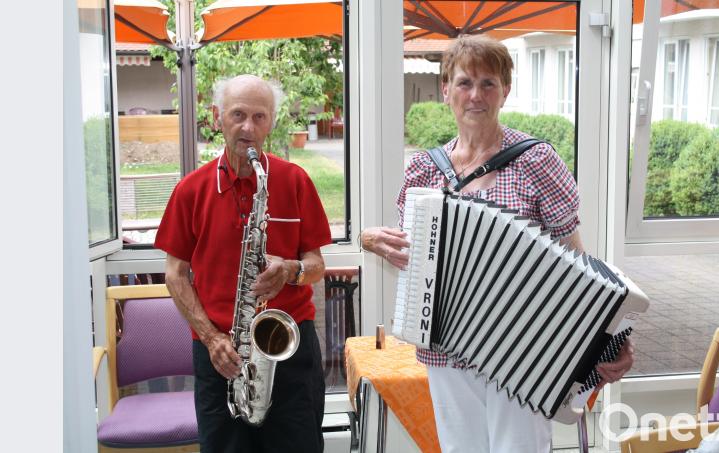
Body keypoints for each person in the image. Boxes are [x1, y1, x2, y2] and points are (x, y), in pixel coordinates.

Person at [360, 35, 634, 453]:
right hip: (444, 346)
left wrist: (605, 338)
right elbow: (413, 257)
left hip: (523, 350)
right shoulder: (423, 170)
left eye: (488, 83)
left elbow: (578, 261)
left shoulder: (535, 161)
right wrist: (372, 240)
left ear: (506, 90)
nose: (476, 95)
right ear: (446, 89)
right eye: (465, 82)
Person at [155, 74, 332, 453]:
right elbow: (174, 275)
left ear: (272, 122)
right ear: (218, 116)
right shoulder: (190, 190)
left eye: (259, 116)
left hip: (290, 348)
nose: (248, 127)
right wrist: (212, 338)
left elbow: (316, 264)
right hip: (221, 353)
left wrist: (289, 270)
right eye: (238, 114)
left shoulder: (295, 180)